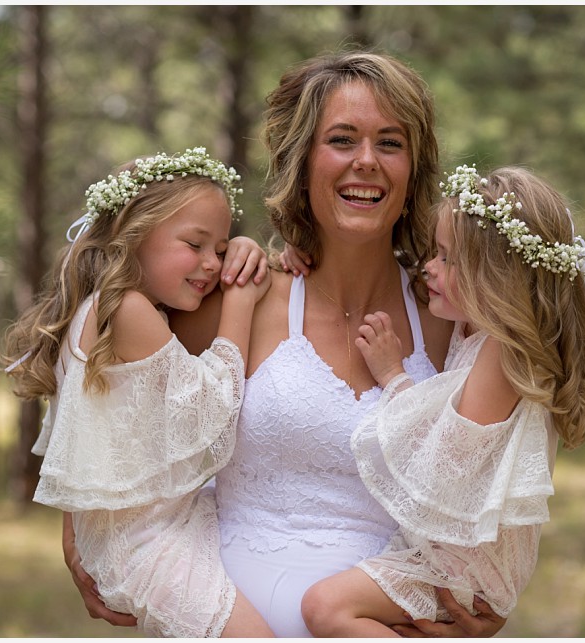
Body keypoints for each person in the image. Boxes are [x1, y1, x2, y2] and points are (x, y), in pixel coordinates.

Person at [64, 52, 508, 638]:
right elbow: (102, 372)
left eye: (391, 143)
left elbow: (502, 470)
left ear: (414, 167)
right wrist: (79, 532)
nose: (367, 162)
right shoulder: (235, 299)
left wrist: (486, 595)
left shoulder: (453, 315)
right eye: (342, 139)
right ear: (302, 160)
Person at [299, 165, 585, 636]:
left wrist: (393, 375)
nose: (430, 268)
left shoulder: (503, 353)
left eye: (448, 259)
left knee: (327, 609)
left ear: (496, 277)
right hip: (451, 553)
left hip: (464, 572)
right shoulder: (476, 333)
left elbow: (444, 468)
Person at [3, 148, 274, 638]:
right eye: (195, 244)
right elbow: (212, 410)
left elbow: (79, 440)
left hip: (139, 534)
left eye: (220, 247)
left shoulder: (102, 307)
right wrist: (240, 298)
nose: (213, 264)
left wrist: (246, 245)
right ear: (135, 233)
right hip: (145, 547)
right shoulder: (128, 310)